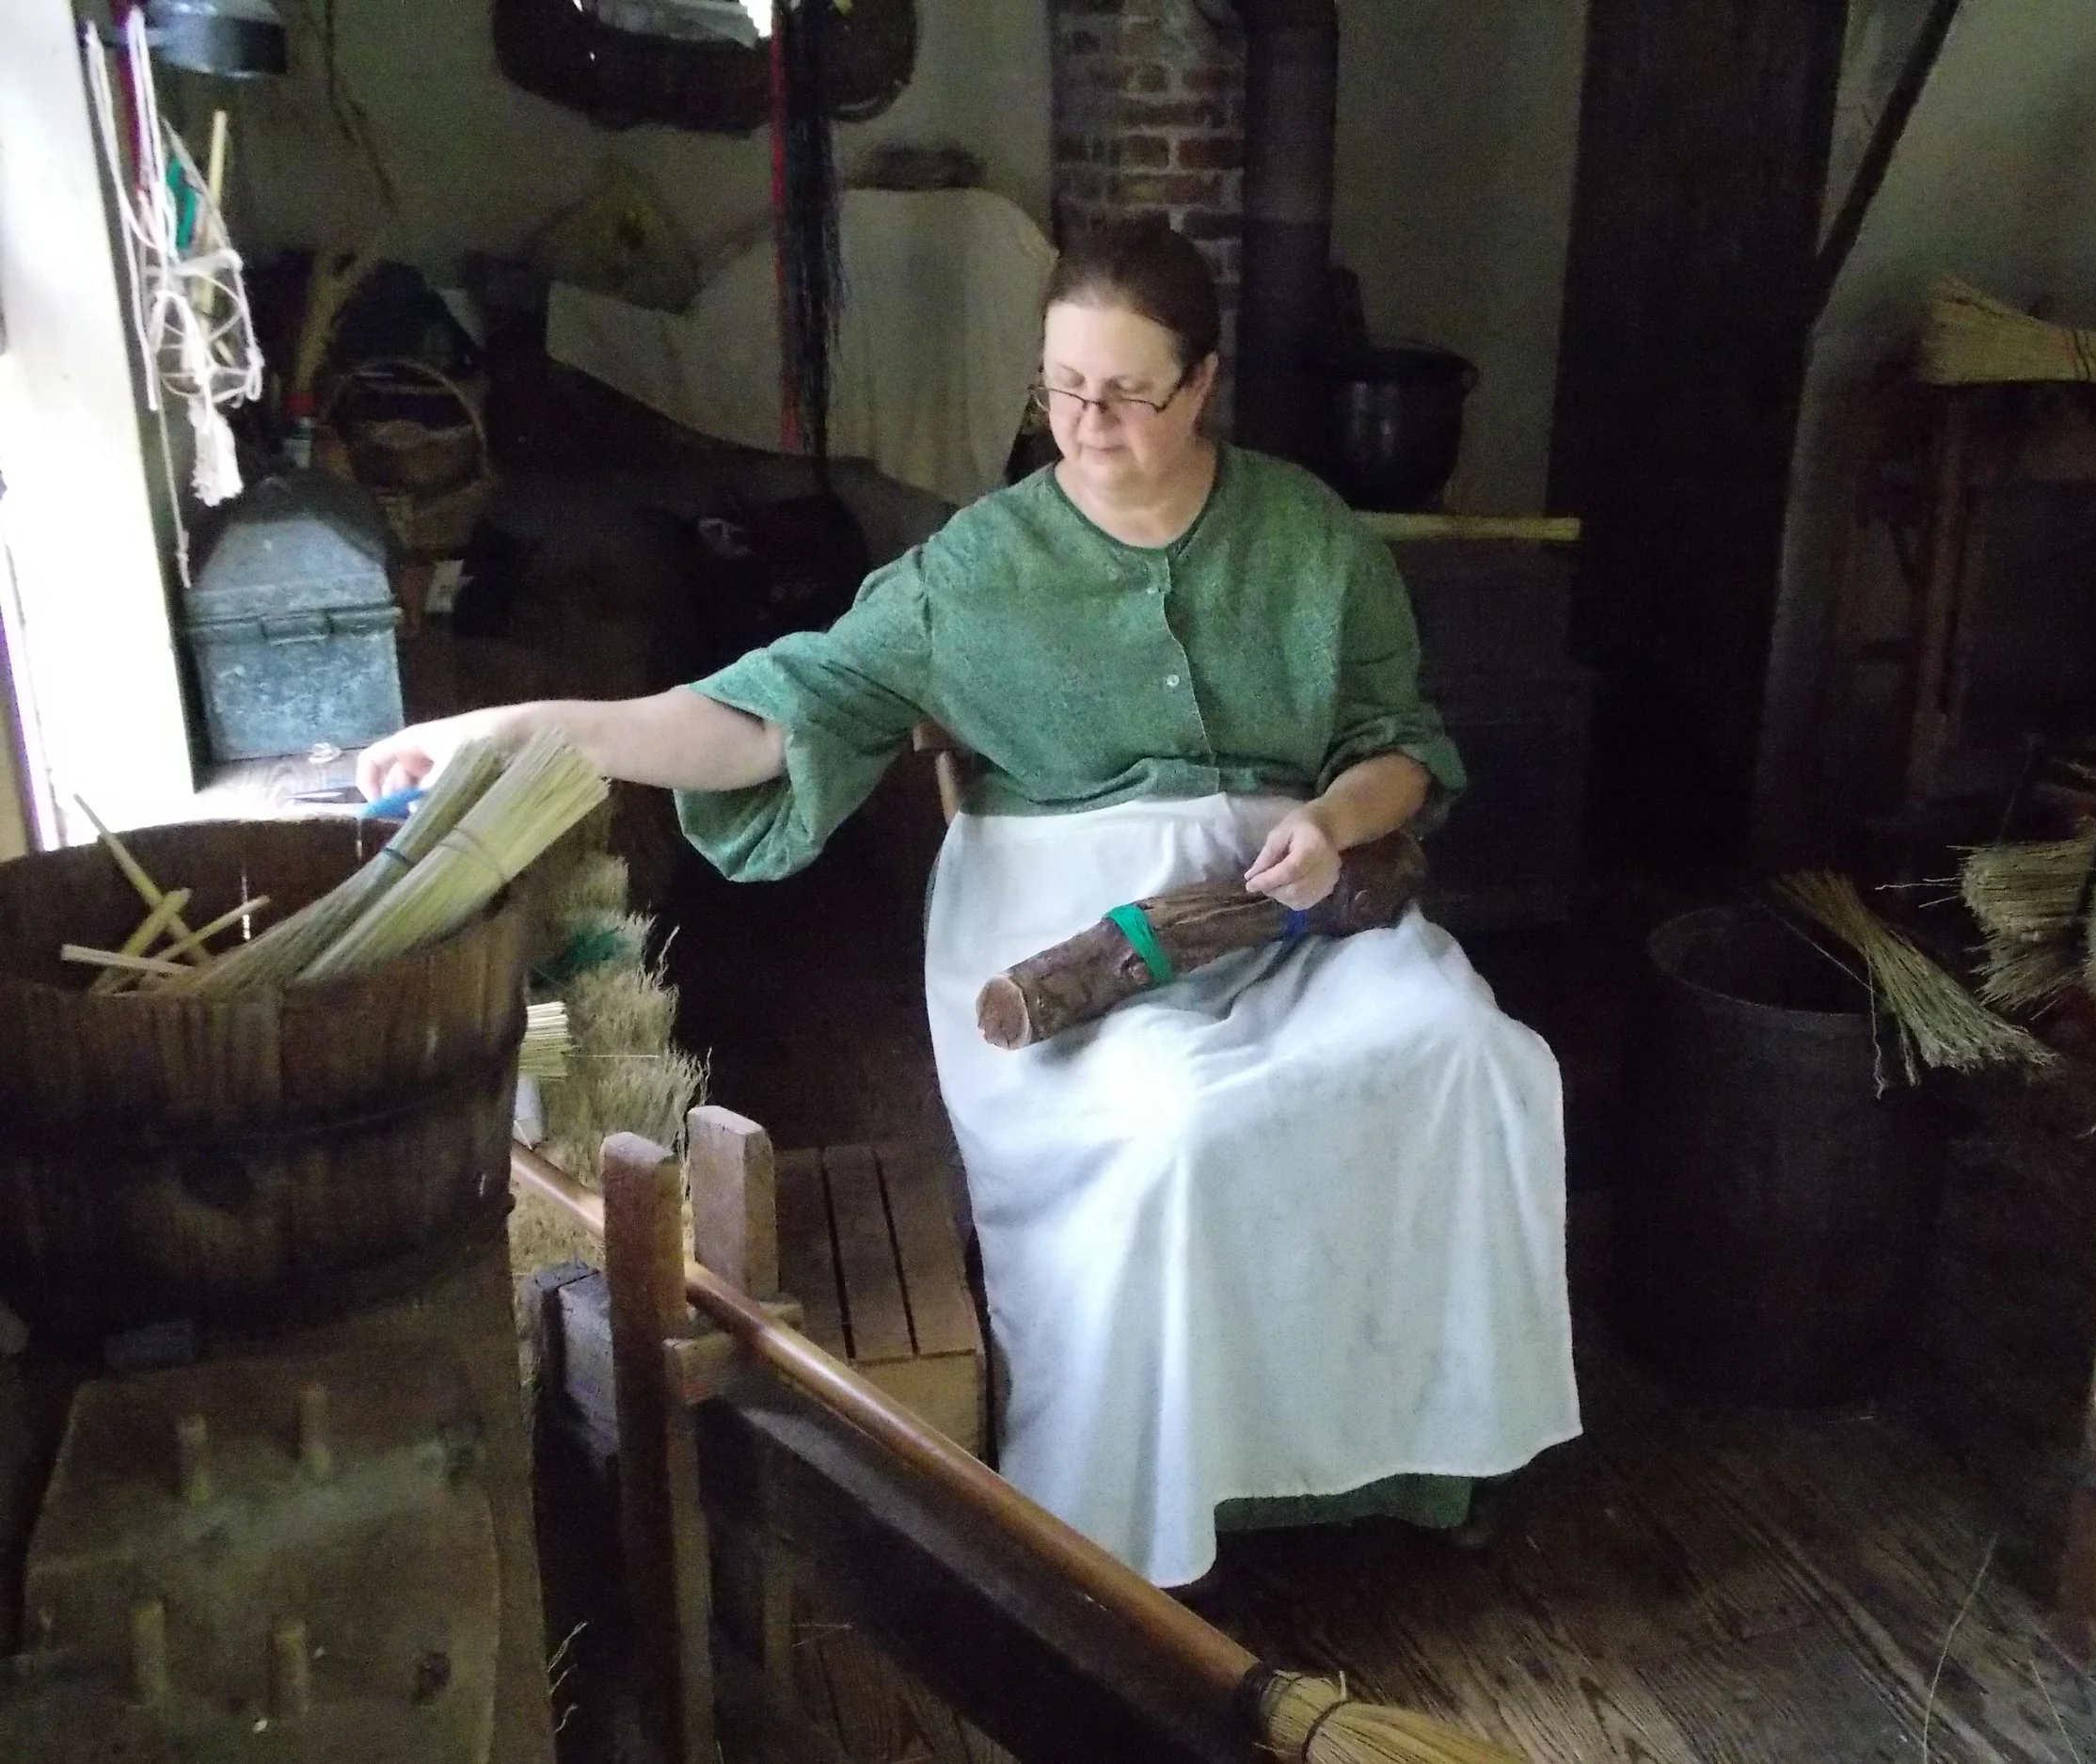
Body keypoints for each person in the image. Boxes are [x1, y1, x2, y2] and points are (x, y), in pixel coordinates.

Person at [360, 217, 1580, 1591]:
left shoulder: (1311, 537)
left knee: (1470, 1055)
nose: (1085, 420)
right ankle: (1151, 1503)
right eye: (1061, 384)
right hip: (1071, 944)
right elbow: (769, 716)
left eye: (1126, 389)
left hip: (1291, 912)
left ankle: (1413, 1449)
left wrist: (1333, 818)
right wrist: (534, 727)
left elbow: (1400, 739)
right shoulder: (976, 572)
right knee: (1175, 1124)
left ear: (1204, 383)